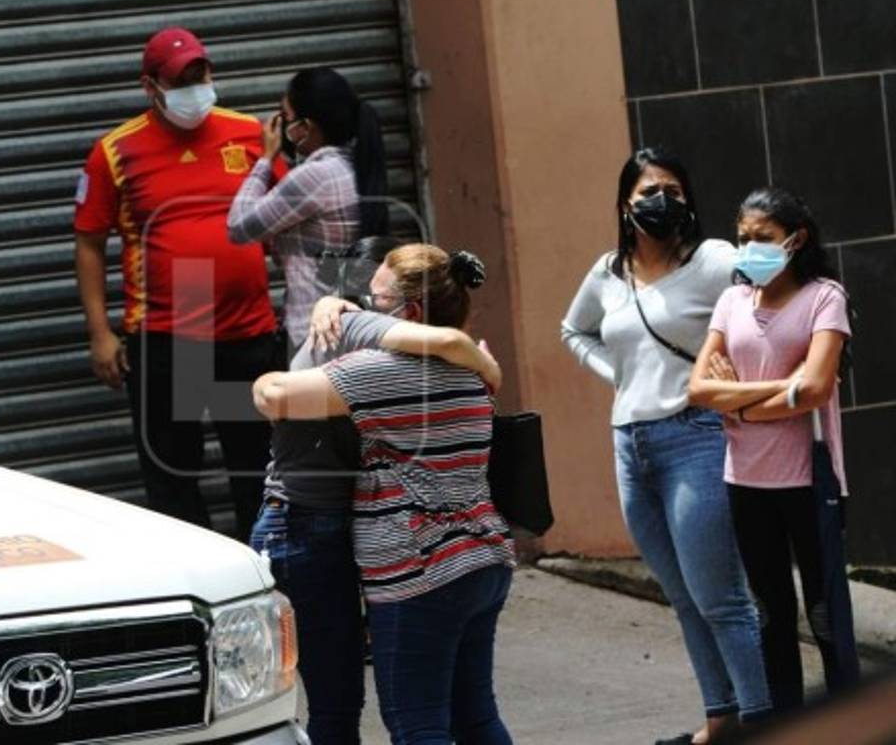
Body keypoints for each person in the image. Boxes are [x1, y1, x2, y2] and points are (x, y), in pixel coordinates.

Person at [254, 244, 514, 745]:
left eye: (374, 302)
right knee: (476, 718)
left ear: (410, 313)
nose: (359, 309)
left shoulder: (380, 372)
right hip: (483, 557)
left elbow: (274, 398)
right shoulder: (474, 365)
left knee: (418, 725)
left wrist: (269, 374)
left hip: (419, 571)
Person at [561, 148, 771, 743]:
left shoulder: (713, 259)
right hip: (631, 445)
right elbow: (573, 329)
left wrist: (737, 367)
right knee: (682, 596)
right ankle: (721, 717)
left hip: (695, 437)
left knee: (721, 599)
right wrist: (619, 375)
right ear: (625, 206)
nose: (661, 201)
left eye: (673, 191)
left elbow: (778, 284)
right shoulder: (608, 272)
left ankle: (761, 719)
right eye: (649, 192)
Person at [73, 27, 281, 542]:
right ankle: (199, 575)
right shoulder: (115, 152)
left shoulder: (249, 134)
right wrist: (100, 333)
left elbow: (289, 212)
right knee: (173, 472)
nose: (194, 88)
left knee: (256, 465)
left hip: (245, 335)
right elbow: (90, 243)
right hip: (170, 338)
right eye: (180, 81)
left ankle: (266, 569)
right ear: (151, 87)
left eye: (199, 75)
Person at [689, 187, 857, 714]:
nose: (749, 249)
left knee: (826, 614)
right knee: (769, 615)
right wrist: (781, 388)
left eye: (762, 237)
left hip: (809, 481)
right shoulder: (732, 301)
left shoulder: (824, 298)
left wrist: (738, 405)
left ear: (795, 239)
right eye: (743, 238)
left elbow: (817, 388)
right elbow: (699, 389)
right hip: (745, 480)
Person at [227, 66, 389, 353]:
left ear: (306, 126)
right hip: (349, 331)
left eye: (286, 117)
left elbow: (239, 227)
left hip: (314, 337)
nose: (281, 127)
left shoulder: (316, 177)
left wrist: (266, 159)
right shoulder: (352, 168)